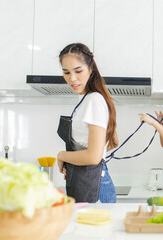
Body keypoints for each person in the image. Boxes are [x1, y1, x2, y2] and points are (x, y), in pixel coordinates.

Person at [56, 43, 118, 203]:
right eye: (66, 72)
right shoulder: (85, 100)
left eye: (78, 71)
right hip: (84, 180)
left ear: (91, 69)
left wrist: (62, 156)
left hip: (95, 185)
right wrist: (74, 162)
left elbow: (93, 157)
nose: (72, 78)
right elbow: (112, 142)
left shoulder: (94, 100)